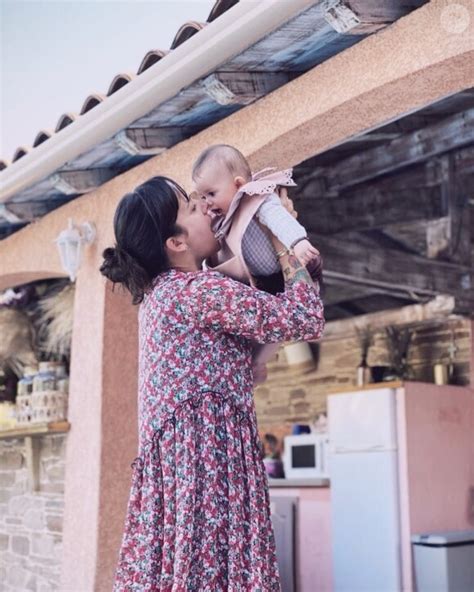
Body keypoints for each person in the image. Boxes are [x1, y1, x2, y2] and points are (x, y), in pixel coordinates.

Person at [100, 175, 324, 591]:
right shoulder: (197, 292)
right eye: (190, 207)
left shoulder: (161, 297)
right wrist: (281, 237)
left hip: (190, 470)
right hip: (209, 467)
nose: (204, 207)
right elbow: (305, 317)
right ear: (176, 243)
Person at [191, 144, 321, 287]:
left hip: (290, 263)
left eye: (211, 194)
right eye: (202, 197)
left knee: (307, 289)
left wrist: (298, 242)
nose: (207, 202)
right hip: (262, 282)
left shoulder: (256, 197)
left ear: (239, 184)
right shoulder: (220, 217)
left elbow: (279, 218)